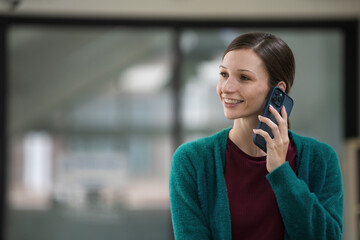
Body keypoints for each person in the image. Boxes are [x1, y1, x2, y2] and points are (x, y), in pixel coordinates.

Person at [169, 32, 343, 240]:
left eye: (244, 77)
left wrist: (281, 172)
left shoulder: (321, 159)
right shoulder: (192, 160)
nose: (227, 87)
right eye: (224, 74)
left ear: (277, 91)